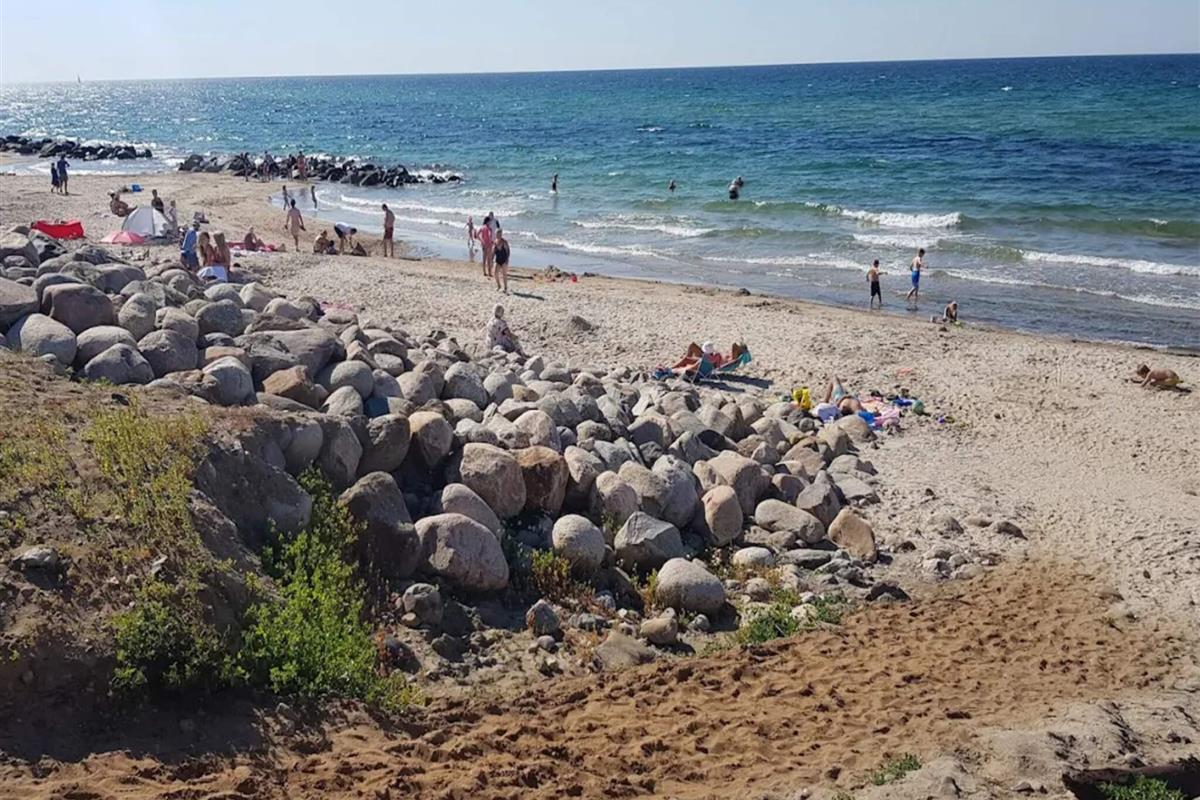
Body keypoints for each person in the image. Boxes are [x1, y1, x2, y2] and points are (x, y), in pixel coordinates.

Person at [493, 228, 511, 293]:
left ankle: (505, 288)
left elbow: (508, 251)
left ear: (501, 234)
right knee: (495, 273)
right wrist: (492, 259)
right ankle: (499, 285)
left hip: (504, 260)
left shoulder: (504, 242)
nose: (498, 235)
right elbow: (494, 251)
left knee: (504, 274)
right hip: (498, 260)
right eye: (497, 234)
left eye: (499, 234)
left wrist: (507, 259)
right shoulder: (495, 242)